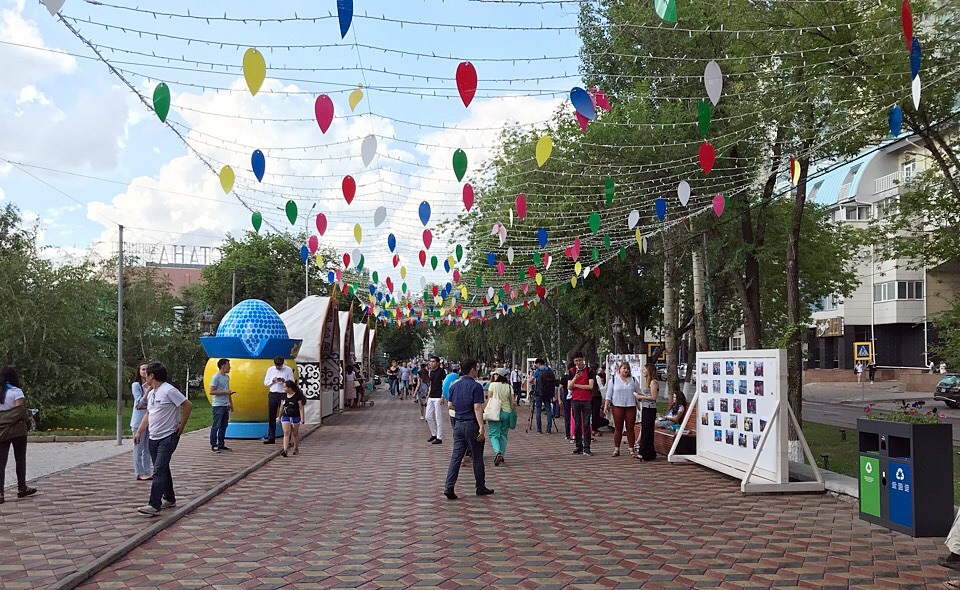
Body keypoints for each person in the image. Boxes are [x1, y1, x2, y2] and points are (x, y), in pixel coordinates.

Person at [135, 362, 192, 516]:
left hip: (168, 437)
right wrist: (139, 432)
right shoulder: (152, 393)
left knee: (158, 470)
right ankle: (169, 497)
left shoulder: (169, 390)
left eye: (147, 373)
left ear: (152, 376)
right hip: (153, 437)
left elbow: (187, 405)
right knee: (162, 467)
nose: (144, 375)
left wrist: (182, 425)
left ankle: (154, 504)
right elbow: (149, 414)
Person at [443, 358, 494, 500]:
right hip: (472, 424)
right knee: (477, 456)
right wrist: (481, 426)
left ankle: (449, 486)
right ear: (472, 370)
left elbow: (450, 405)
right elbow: (477, 407)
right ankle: (480, 486)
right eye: (476, 368)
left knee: (456, 456)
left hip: (458, 424)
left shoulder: (454, 386)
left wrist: (461, 408)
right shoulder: (475, 386)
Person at [0, 366, 37, 503]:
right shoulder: (16, 391)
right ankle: (22, 488)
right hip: (18, 430)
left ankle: (0, 493)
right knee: (20, 459)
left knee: (1, 462)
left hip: (2, 430)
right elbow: (18, 412)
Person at [603, 362, 643, 457]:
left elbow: (638, 392)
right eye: (624, 368)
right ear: (619, 369)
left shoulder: (633, 380)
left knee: (630, 428)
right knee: (618, 428)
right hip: (618, 405)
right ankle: (616, 449)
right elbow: (608, 394)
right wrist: (606, 405)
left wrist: (644, 398)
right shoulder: (613, 379)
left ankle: (631, 448)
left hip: (630, 406)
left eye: (627, 369)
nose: (626, 370)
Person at [487, 368, 516, 466]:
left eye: (495, 374)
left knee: (493, 434)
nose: (494, 376)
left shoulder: (492, 385)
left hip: (494, 412)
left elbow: (489, 399)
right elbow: (513, 402)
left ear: (498, 376)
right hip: (507, 412)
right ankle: (502, 454)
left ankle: (497, 452)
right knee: (503, 435)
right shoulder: (509, 387)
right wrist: (513, 412)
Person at [569, 351, 595, 456]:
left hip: (586, 400)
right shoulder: (572, 371)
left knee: (586, 424)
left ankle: (587, 447)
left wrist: (576, 385)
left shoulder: (589, 371)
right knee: (577, 424)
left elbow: (590, 386)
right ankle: (578, 446)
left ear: (583, 359)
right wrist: (575, 377)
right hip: (575, 400)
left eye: (579, 360)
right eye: (576, 361)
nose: (578, 362)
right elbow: (569, 386)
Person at [262, 356, 293, 444]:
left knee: (285, 415)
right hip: (273, 393)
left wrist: (284, 381)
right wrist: (273, 380)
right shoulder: (270, 369)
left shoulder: (288, 370)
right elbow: (265, 383)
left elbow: (292, 383)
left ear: (283, 363)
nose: (278, 367)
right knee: (271, 415)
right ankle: (271, 437)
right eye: (277, 366)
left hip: (283, 394)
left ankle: (287, 437)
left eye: (280, 366)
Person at [131, 362, 153, 480]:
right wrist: (148, 390)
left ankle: (147, 471)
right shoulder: (137, 385)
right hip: (138, 421)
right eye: (143, 369)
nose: (145, 372)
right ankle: (139, 473)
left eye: (147, 369)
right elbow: (139, 403)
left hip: (150, 420)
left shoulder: (153, 384)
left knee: (147, 448)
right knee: (138, 448)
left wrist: (144, 404)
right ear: (139, 371)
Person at [208, 358, 235, 453]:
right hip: (218, 405)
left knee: (224, 425)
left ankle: (221, 444)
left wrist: (230, 403)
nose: (230, 367)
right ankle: (213, 444)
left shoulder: (227, 377)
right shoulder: (216, 377)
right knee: (216, 425)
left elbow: (228, 390)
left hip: (225, 405)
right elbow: (211, 391)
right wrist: (225, 392)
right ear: (223, 366)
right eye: (228, 365)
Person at [636, 363, 659, 461]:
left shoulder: (653, 382)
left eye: (645, 369)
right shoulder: (648, 382)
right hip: (645, 407)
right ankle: (647, 451)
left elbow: (653, 397)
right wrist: (641, 398)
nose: (644, 371)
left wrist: (641, 396)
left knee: (647, 431)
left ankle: (645, 452)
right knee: (645, 429)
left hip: (650, 409)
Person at [277, 379, 306, 457]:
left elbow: (301, 407)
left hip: (295, 417)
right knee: (286, 433)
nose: (283, 389)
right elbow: (281, 408)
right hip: (286, 416)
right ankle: (285, 450)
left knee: (295, 433)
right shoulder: (284, 396)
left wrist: (302, 418)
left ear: (290, 388)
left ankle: (296, 448)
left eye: (285, 387)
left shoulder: (297, 396)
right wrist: (279, 417)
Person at [528, 358, 556, 434]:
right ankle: (548, 429)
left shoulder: (538, 371)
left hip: (539, 393)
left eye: (536, 365)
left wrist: (531, 376)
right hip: (548, 393)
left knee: (538, 410)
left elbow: (530, 381)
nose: (536, 366)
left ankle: (539, 429)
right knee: (548, 409)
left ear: (539, 364)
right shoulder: (550, 370)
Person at [424, 356, 447, 445]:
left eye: (433, 361)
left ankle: (439, 437)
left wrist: (442, 396)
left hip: (438, 396)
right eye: (430, 361)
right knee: (428, 416)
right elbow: (431, 385)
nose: (431, 363)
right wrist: (427, 397)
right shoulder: (431, 372)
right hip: (431, 396)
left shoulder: (442, 372)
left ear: (437, 363)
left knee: (438, 417)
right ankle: (434, 433)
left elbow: (444, 384)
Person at [559, 363, 575, 441]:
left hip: (572, 398)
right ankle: (568, 433)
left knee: (571, 416)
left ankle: (571, 433)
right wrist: (559, 399)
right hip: (567, 399)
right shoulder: (565, 378)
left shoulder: (574, 377)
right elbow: (559, 388)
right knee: (568, 416)